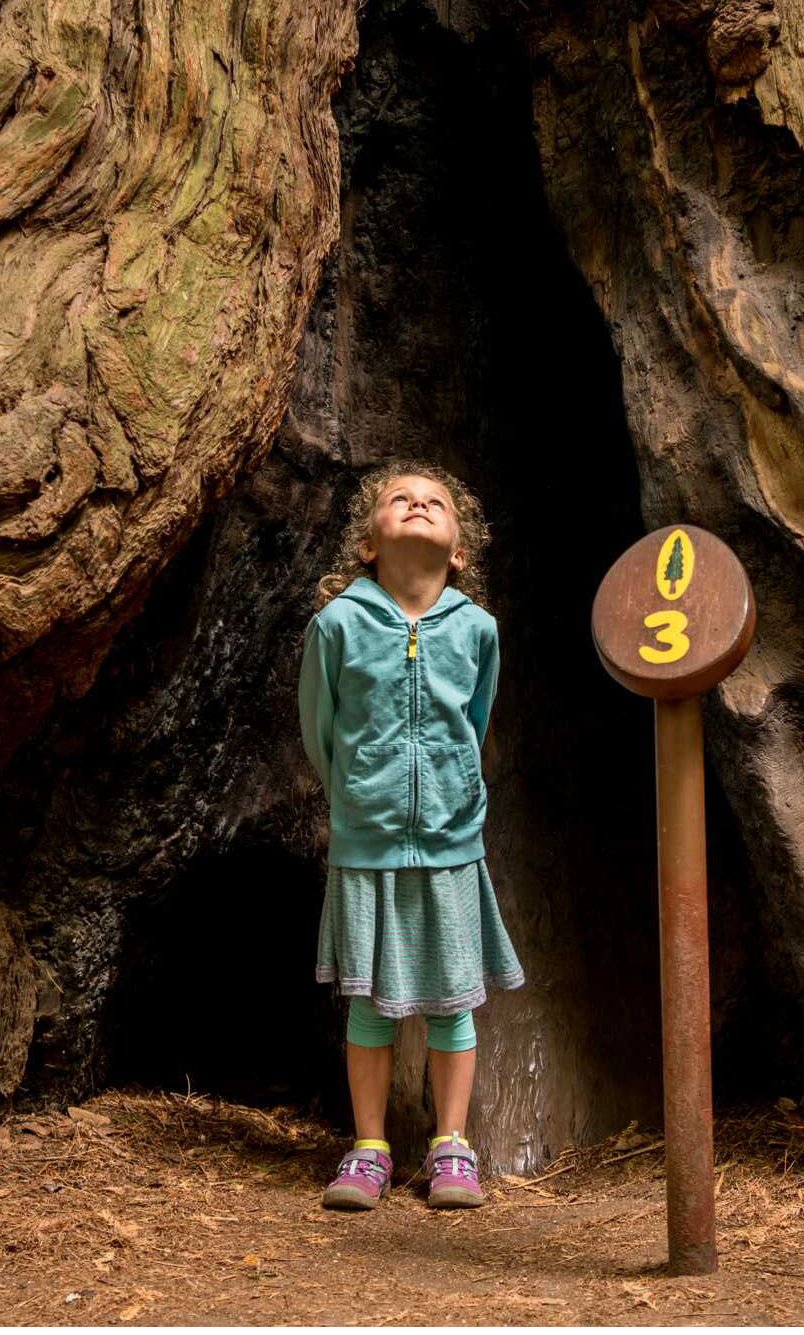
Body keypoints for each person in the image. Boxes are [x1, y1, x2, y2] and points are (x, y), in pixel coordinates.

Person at [297, 459, 524, 1211]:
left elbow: (475, 721)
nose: (419, 505)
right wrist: (360, 796)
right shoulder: (336, 624)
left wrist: (449, 797)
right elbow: (319, 729)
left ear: (459, 550)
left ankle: (451, 1146)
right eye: (401, 499)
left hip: (452, 844)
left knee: (451, 1003)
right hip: (368, 844)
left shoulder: (478, 629)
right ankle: (368, 1149)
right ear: (369, 542)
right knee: (370, 1003)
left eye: (436, 501)